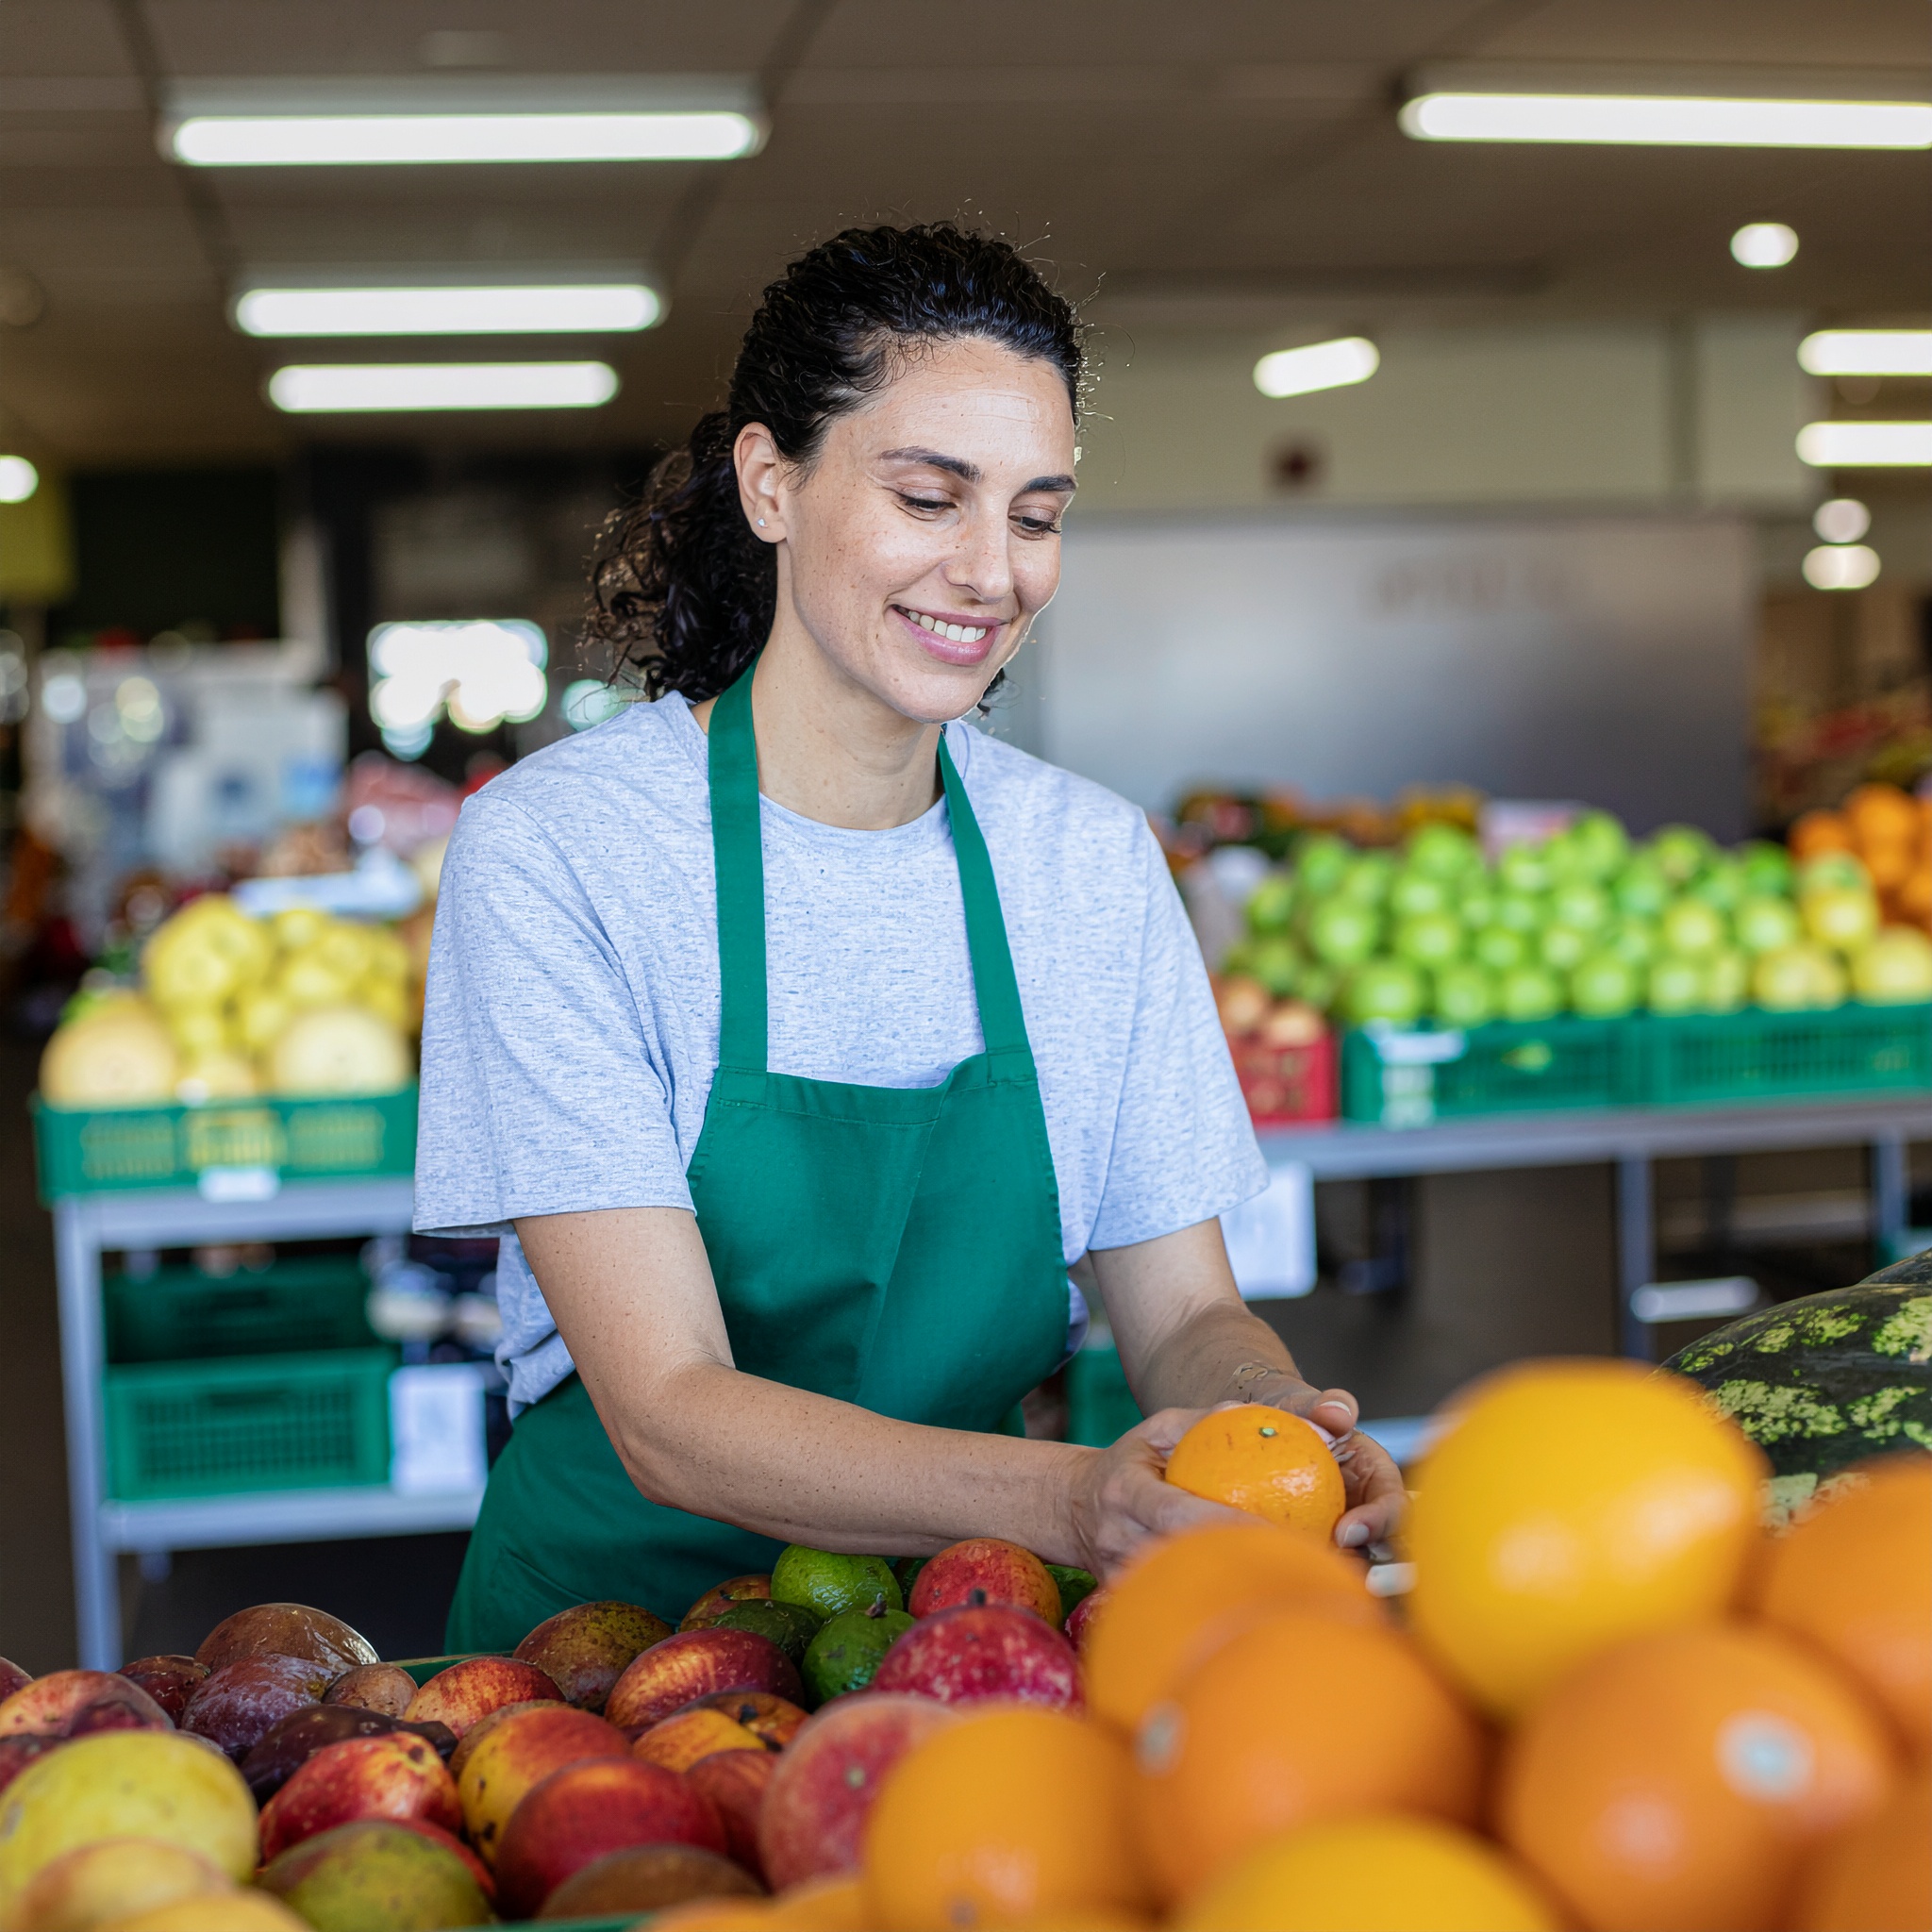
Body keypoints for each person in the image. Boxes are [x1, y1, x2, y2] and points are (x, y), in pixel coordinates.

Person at [416, 223, 1403, 1648]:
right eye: (932, 497)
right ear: (771, 484)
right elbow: (670, 1412)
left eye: (1036, 514)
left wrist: (1280, 1436)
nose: (990, 570)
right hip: (606, 1670)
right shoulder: (567, 850)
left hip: (966, 1634)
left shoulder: (1089, 863)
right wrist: (1076, 1503)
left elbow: (1185, 1309)